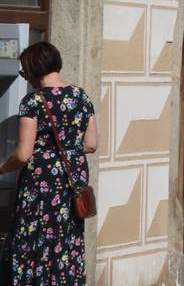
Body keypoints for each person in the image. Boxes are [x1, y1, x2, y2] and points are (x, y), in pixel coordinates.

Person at [2, 40, 98, 286]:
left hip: (40, 190)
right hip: (71, 187)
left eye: (24, 71)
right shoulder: (81, 96)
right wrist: (65, 149)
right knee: (64, 243)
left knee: (34, 244)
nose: (25, 77)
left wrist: (2, 167)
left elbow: (23, 154)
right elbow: (92, 143)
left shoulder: (33, 102)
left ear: (34, 69)